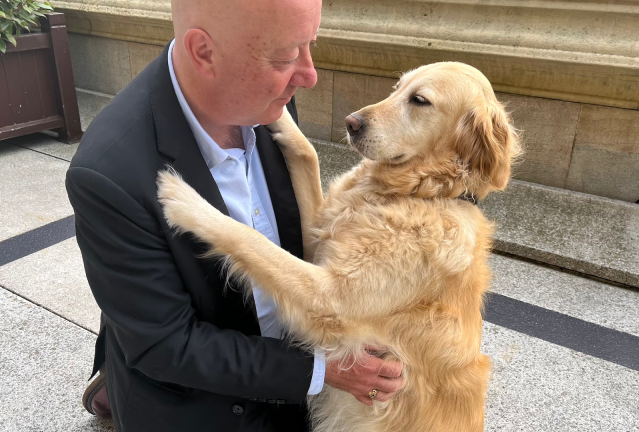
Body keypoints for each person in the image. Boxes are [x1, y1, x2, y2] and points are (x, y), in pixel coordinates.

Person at [65, 0, 404, 431]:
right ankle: (115, 385)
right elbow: (167, 346)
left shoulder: (267, 98)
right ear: (204, 53)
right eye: (285, 57)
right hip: (202, 403)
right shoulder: (108, 174)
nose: (309, 75)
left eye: (309, 46)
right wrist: (324, 370)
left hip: (298, 366)